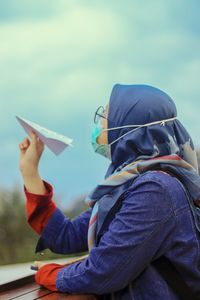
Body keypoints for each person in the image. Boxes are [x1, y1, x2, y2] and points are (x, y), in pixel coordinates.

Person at [19, 84, 200, 299]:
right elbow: (65, 236)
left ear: (127, 126)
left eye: (105, 114)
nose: (98, 123)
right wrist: (30, 172)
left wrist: (51, 274)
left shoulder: (155, 190)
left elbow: (102, 272)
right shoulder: (129, 186)